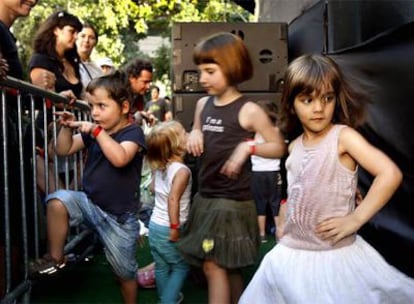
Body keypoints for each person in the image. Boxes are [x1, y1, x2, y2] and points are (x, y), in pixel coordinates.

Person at [239, 54, 414, 304]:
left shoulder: (343, 137)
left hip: (334, 258)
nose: (319, 108)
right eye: (307, 100)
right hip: (291, 255)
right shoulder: (294, 147)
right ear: (291, 103)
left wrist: (356, 217)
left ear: (336, 99)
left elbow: (390, 173)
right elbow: (298, 189)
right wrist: (283, 220)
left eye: (327, 98)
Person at [176, 32, 286, 304]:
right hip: (207, 198)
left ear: (232, 67)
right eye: (200, 71)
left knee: (214, 266)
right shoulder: (202, 104)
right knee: (229, 267)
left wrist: (248, 147)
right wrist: (195, 133)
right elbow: (198, 129)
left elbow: (278, 146)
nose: (202, 78)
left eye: (210, 71)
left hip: (234, 204)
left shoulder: (249, 110)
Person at [29, 71, 146, 304]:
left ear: (124, 107)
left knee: (124, 275)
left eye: (102, 106)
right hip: (90, 205)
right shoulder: (97, 132)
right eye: (92, 106)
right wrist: (66, 127)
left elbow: (120, 158)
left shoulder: (133, 132)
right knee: (57, 199)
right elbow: (63, 150)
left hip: (119, 219)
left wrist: (96, 131)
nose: (94, 113)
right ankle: (56, 258)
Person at [146, 120, 191, 304]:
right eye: (184, 134)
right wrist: (175, 227)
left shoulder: (161, 167)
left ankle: (166, 297)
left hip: (154, 225)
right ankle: (168, 301)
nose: (188, 135)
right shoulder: (182, 171)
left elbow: (152, 189)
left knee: (161, 266)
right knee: (181, 266)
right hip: (168, 227)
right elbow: (173, 199)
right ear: (177, 145)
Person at [250, 100, 283, 243]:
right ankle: (279, 234)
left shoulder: (255, 133)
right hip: (273, 172)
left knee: (260, 205)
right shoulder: (276, 131)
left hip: (257, 173)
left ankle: (262, 235)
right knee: (276, 203)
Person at [76, 22, 103, 88]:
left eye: (91, 37)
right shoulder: (66, 64)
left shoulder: (97, 70)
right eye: (83, 36)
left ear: (95, 43)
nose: (86, 40)